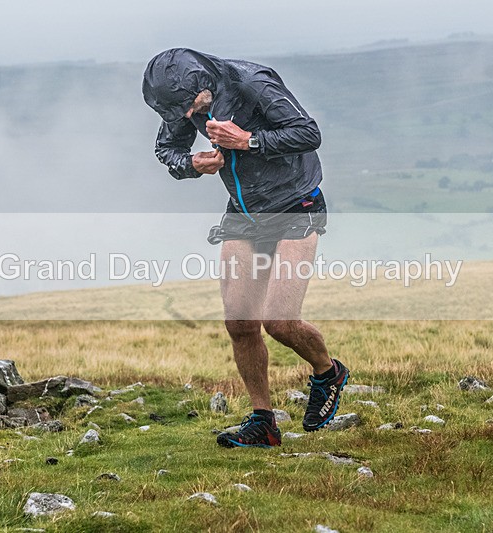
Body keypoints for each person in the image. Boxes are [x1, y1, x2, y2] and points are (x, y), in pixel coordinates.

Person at [142, 48, 350, 448]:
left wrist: (248, 140)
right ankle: (263, 423)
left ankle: (328, 372)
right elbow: (167, 150)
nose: (188, 119)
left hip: (296, 206)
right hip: (242, 212)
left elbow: (309, 134)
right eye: (179, 113)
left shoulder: (252, 82)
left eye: (191, 108)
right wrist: (192, 164)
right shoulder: (183, 102)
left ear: (203, 84)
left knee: (280, 322)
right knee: (239, 323)